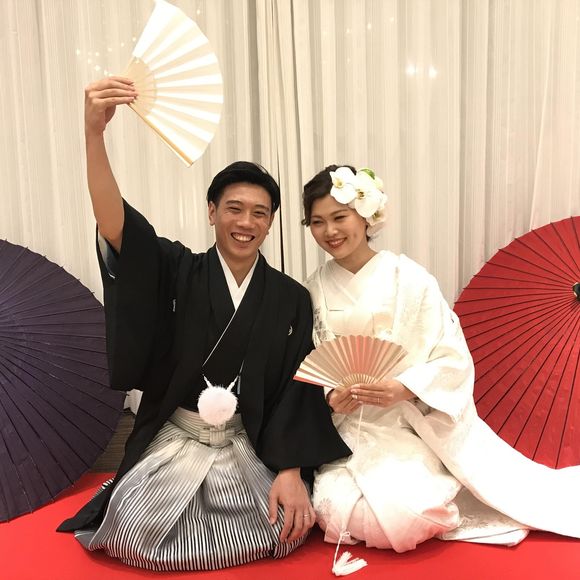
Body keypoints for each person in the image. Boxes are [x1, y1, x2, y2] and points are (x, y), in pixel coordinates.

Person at [56, 78, 350, 571]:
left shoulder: (290, 298)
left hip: (249, 442)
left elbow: (296, 388)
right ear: (211, 212)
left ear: (271, 223)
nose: (246, 222)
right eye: (234, 208)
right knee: (134, 533)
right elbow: (118, 226)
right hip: (179, 436)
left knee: (281, 526)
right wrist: (94, 135)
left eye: (259, 213)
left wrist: (291, 469)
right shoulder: (178, 270)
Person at [301, 164, 580, 553]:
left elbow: (452, 357)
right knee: (340, 513)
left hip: (406, 425)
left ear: (365, 215)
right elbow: (307, 365)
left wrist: (404, 387)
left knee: (407, 515)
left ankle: (434, 488)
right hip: (346, 433)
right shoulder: (311, 289)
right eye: (317, 222)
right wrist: (331, 396)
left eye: (339, 217)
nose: (329, 231)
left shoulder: (409, 278)